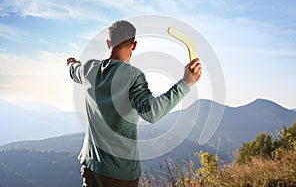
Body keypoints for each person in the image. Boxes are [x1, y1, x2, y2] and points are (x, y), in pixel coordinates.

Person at [67, 20, 202, 187]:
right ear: (134, 45)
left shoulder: (89, 69)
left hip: (90, 166)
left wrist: (72, 63)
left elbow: (74, 71)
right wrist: (186, 82)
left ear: (109, 43)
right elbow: (152, 113)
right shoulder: (133, 77)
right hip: (119, 174)